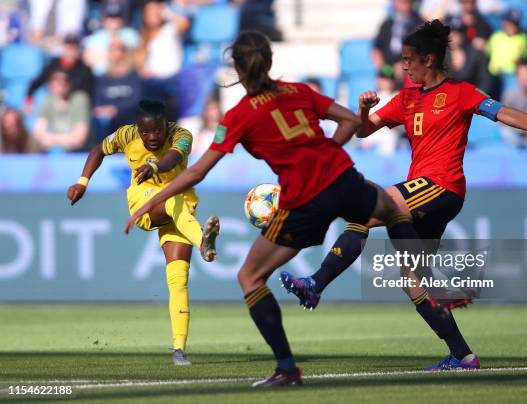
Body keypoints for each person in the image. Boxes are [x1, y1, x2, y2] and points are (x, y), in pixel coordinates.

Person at [280, 20, 527, 372]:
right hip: (422, 192)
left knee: (367, 209)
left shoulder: (461, 93)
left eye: (409, 59)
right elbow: (364, 131)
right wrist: (364, 108)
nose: (404, 65)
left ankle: (316, 283)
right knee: (412, 281)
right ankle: (463, 355)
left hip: (442, 185)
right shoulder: (407, 98)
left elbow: (504, 113)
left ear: (428, 59)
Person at [125, 31, 429, 387]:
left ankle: (287, 369)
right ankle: (428, 288)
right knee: (393, 210)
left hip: (304, 198)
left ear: (237, 68)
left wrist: (153, 200)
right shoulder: (298, 91)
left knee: (250, 277)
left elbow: (197, 170)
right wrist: (327, 155)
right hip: (344, 177)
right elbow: (349, 121)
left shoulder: (238, 116)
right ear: (269, 61)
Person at [67, 100, 220, 365]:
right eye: (146, 131)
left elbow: (174, 156)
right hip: (144, 201)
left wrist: (156, 166)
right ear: (138, 127)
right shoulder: (126, 134)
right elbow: (98, 150)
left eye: (157, 131)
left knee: (178, 278)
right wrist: (83, 181)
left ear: (165, 125)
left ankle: (178, 350)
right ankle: (202, 241)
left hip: (181, 209)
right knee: (171, 201)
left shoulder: (181, 135)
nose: (152, 137)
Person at [93, 37, 144, 138]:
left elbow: (137, 100)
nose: (117, 53)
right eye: (113, 49)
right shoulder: (103, 78)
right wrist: (104, 110)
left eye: (120, 49)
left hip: (130, 119)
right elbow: (98, 101)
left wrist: (116, 109)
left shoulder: (134, 76)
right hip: (109, 121)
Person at [26, 35, 94, 109]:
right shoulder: (53, 66)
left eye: (74, 48)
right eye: (69, 48)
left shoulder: (84, 69)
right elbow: (37, 82)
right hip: (55, 104)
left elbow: (88, 93)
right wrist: (29, 99)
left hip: (75, 106)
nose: (71, 51)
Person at [33, 69, 91, 152]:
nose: (61, 83)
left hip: (79, 154)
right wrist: (66, 139)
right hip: (53, 152)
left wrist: (52, 139)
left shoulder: (80, 99)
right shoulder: (47, 100)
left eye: (65, 79)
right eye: (56, 79)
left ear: (70, 83)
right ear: (50, 84)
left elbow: (80, 139)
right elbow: (38, 133)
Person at [372, 0, 423, 89]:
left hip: (409, 69)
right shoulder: (386, 24)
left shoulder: (419, 24)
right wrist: (383, 69)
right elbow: (376, 49)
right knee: (383, 83)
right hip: (388, 68)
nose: (404, 3)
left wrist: (404, 65)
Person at [83, 1, 140, 77]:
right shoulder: (96, 37)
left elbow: (138, 56)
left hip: (127, 76)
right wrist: (113, 56)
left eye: (117, 17)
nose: (114, 21)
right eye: (111, 17)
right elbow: (88, 59)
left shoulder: (131, 34)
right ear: (104, 19)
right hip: (101, 78)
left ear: (122, 19)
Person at [447, 16, 493, 95]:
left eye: (457, 33)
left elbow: (485, 81)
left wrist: (475, 98)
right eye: (450, 33)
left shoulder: (476, 54)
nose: (453, 37)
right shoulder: (439, 56)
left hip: (471, 99)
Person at [486, 8, 527, 76]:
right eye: (510, 23)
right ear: (504, 23)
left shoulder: (523, 38)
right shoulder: (496, 37)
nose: (512, 26)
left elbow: (523, 58)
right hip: (493, 74)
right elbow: (487, 52)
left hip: (511, 75)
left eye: (515, 24)